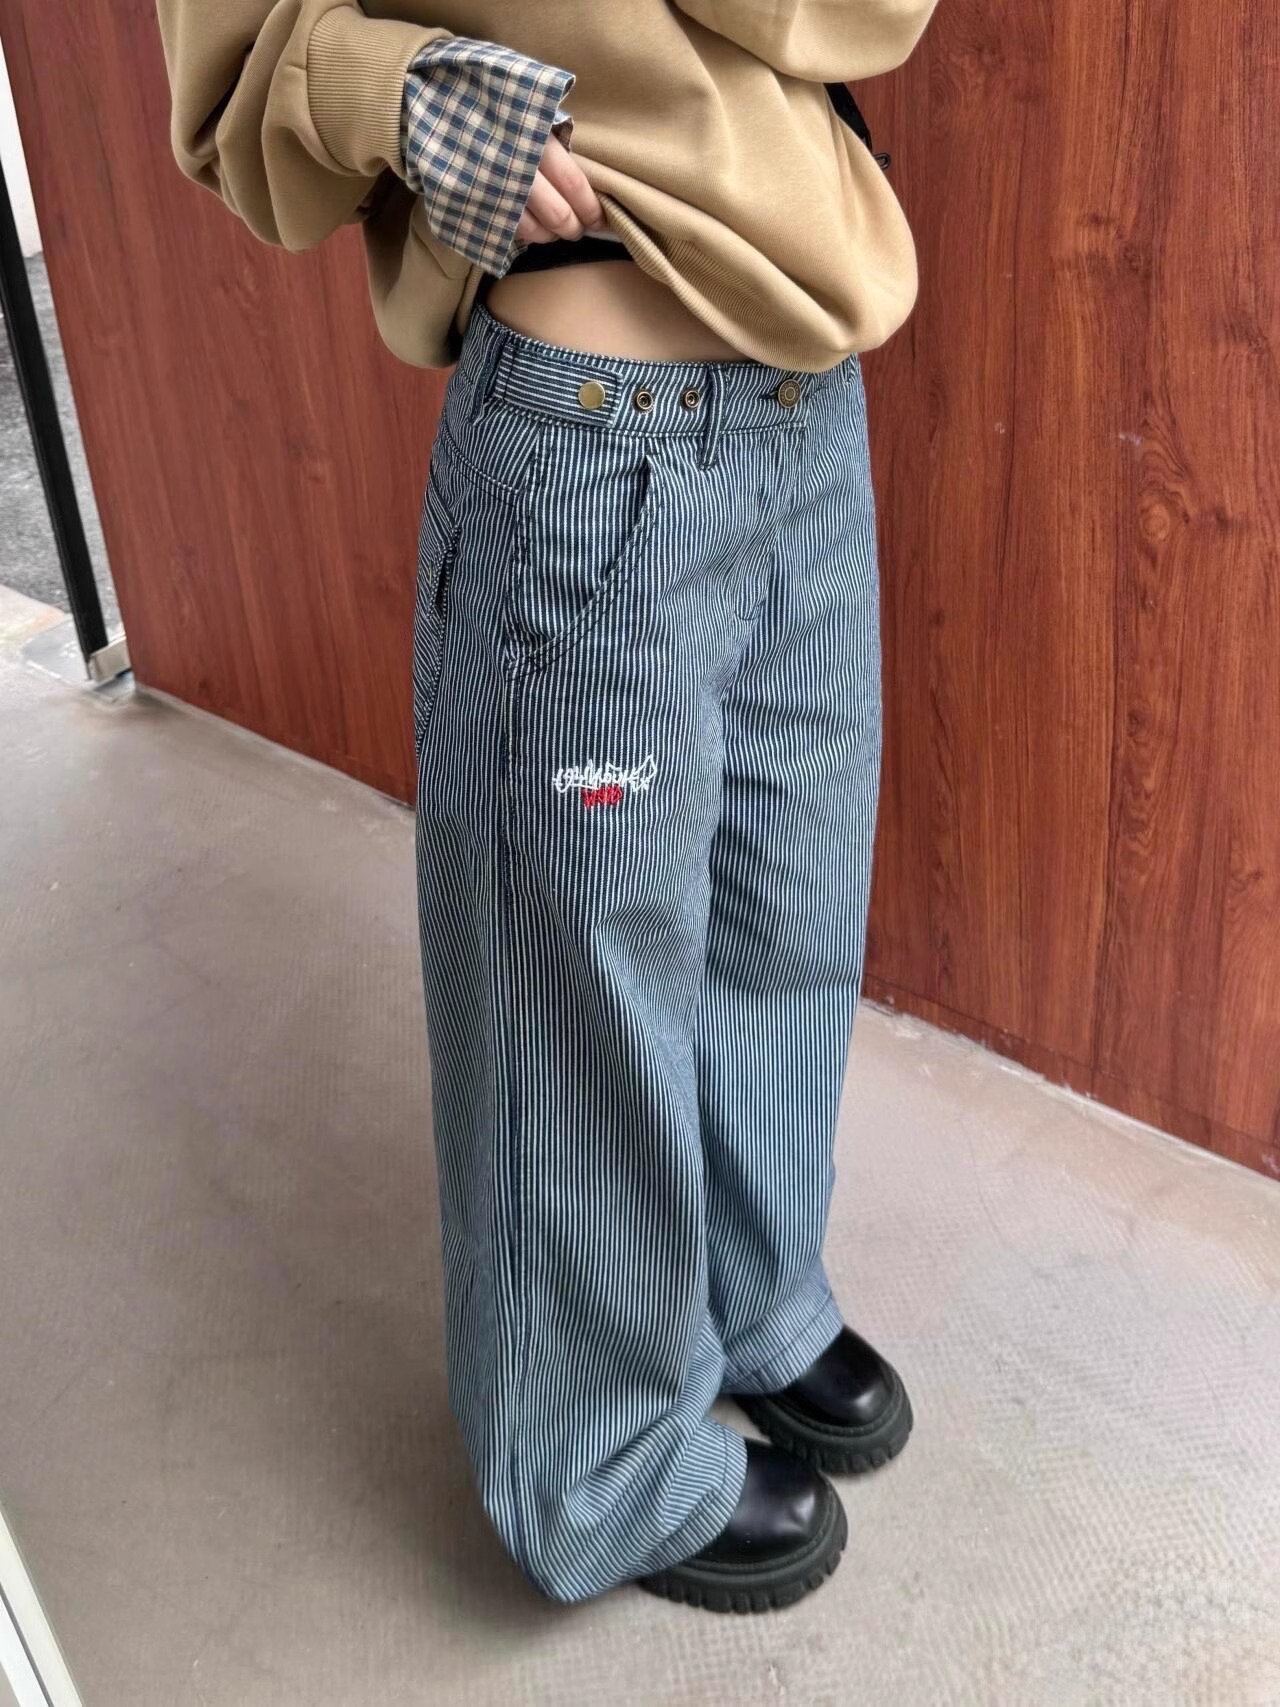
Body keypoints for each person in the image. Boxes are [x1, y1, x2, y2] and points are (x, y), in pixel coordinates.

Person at [156, 0, 938, 1615]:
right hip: (592, 422)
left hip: (809, 381)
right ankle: (598, 1456)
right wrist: (389, 89)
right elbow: (227, 67)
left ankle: (747, 1285)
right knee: (574, 986)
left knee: (784, 905)